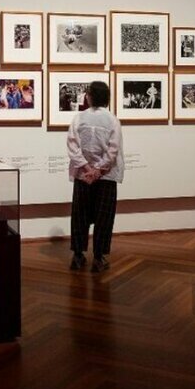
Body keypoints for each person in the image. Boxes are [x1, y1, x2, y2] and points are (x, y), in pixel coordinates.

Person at [66, 81, 124, 273]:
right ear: (107, 97)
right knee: (104, 218)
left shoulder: (79, 118)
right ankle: (99, 258)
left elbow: (72, 146)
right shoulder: (112, 120)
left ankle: (78, 256)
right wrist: (98, 170)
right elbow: (113, 150)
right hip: (105, 177)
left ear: (89, 96)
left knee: (80, 216)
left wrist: (86, 167)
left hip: (83, 176)